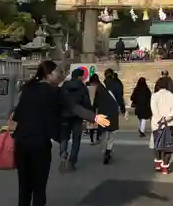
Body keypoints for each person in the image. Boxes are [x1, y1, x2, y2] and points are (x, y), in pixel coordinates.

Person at [12, 60, 109, 206]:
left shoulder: (28, 89)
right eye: (57, 72)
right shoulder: (55, 92)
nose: (60, 74)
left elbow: (17, 116)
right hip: (39, 145)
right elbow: (73, 107)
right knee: (39, 188)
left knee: (24, 188)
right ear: (49, 75)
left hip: (21, 143)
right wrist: (94, 117)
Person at [59, 68, 92, 172]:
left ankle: (63, 154)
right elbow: (86, 103)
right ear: (79, 77)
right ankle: (72, 162)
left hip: (64, 116)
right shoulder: (82, 87)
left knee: (64, 137)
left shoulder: (64, 86)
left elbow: (59, 100)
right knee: (76, 140)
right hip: (77, 117)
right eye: (82, 76)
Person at [150, 76, 173, 175]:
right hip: (168, 124)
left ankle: (158, 163)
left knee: (156, 143)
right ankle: (165, 167)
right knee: (168, 146)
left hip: (156, 124)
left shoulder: (154, 96)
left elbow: (154, 110)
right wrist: (166, 118)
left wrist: (159, 119)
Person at [93, 75, 123, 164]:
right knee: (111, 135)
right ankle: (108, 151)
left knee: (104, 133)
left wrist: (93, 112)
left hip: (103, 113)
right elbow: (120, 98)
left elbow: (96, 102)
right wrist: (122, 109)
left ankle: (104, 150)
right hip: (113, 113)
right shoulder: (117, 85)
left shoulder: (100, 87)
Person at [87, 74, 101, 145]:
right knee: (98, 124)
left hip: (89, 107)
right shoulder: (99, 87)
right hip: (97, 106)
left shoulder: (87, 86)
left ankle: (91, 140)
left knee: (91, 124)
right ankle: (98, 138)